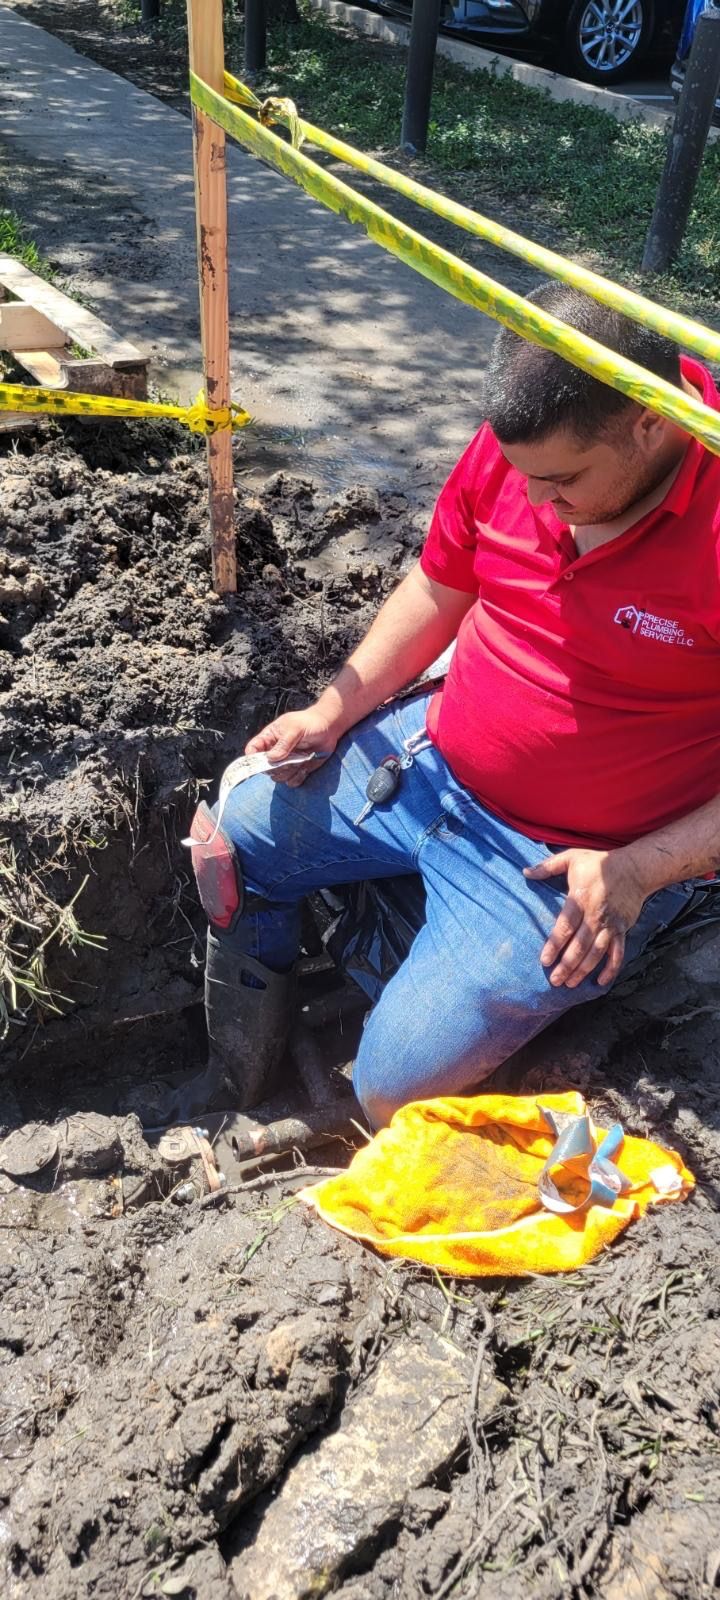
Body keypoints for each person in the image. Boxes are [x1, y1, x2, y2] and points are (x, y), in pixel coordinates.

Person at [190, 282, 720, 1129]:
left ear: (649, 425)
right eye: (527, 478)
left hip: (569, 866)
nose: (538, 502)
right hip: (429, 766)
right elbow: (441, 585)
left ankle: (615, 945)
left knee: (390, 1092)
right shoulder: (527, 449)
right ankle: (239, 1080)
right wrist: (334, 709)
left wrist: (640, 871)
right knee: (236, 837)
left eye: (563, 481)